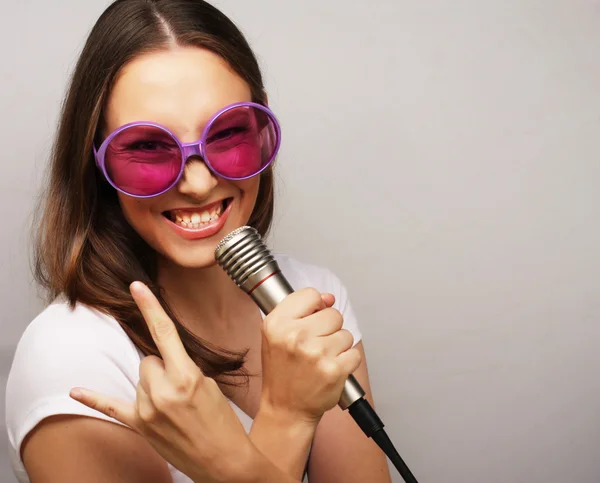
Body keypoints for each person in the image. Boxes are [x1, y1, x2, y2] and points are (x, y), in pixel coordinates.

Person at [5, 1, 392, 482]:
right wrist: (287, 416)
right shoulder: (69, 359)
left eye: (227, 133)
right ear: (97, 164)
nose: (197, 183)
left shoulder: (310, 295)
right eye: (148, 145)